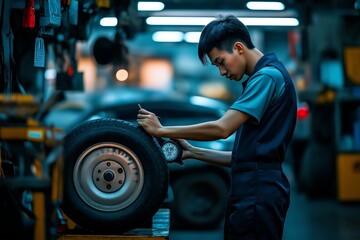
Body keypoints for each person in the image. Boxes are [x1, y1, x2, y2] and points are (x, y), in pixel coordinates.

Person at [137, 15, 297, 240]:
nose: (222, 72)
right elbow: (244, 159)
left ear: (238, 48)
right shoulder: (265, 77)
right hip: (255, 187)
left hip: (258, 192)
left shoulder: (266, 77)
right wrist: (194, 152)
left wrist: (162, 130)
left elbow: (222, 128)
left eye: (221, 62)